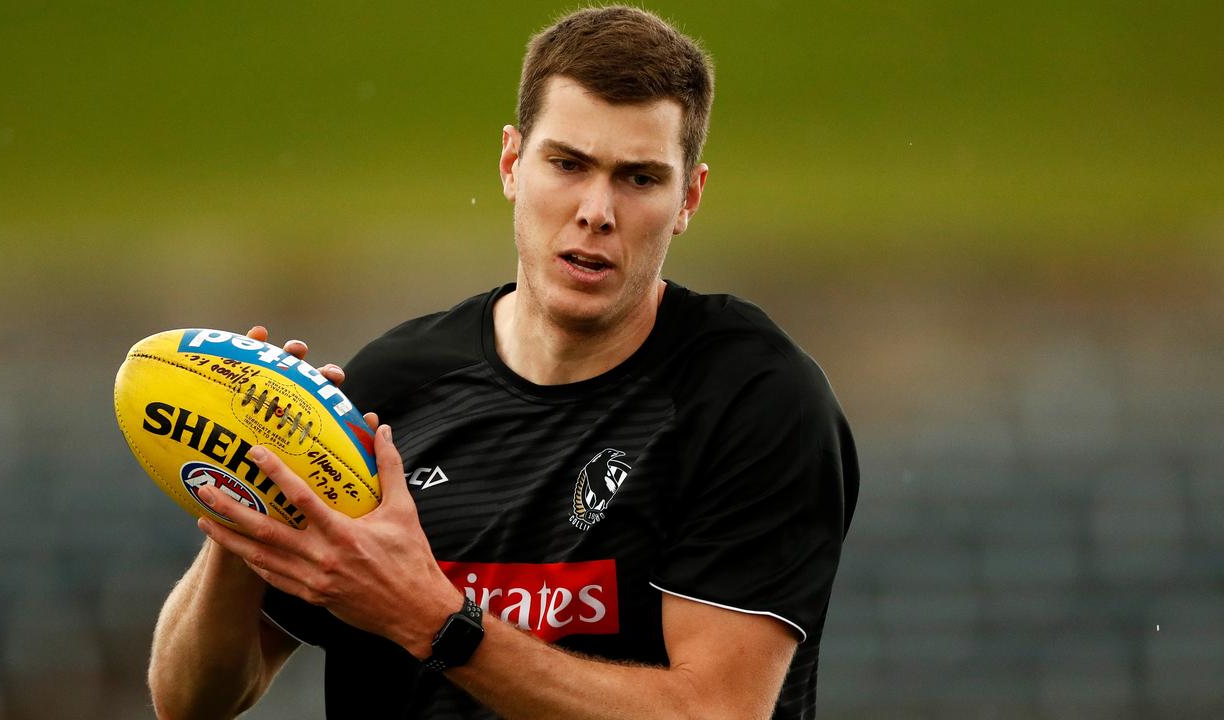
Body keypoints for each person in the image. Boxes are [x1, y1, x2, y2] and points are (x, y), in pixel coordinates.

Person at [148, 6, 858, 719]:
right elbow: (190, 701)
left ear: (689, 198)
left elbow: (715, 713)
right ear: (512, 163)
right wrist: (251, 503)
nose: (596, 210)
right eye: (568, 164)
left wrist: (432, 619)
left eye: (639, 178)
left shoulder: (750, 399)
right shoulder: (394, 389)